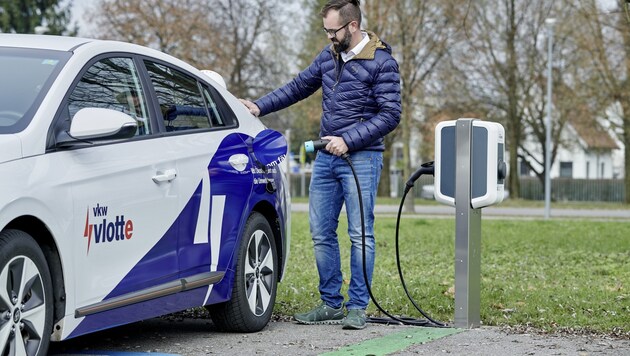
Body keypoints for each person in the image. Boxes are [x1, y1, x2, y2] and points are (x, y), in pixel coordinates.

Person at [240, 0, 401, 330]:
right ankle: (331, 303)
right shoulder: (329, 56)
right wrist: (258, 106)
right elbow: (299, 86)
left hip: (362, 158)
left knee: (360, 235)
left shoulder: (382, 62)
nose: (329, 36)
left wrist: (350, 139)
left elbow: (390, 114)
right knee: (321, 233)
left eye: (333, 30)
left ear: (352, 26)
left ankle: (357, 306)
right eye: (326, 30)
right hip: (328, 157)